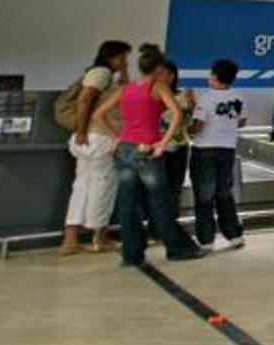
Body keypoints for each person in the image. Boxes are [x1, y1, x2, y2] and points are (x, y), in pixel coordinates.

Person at [91, 44, 204, 265]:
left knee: (127, 203)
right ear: (158, 68)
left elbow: (98, 115)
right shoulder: (158, 86)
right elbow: (177, 114)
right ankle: (177, 247)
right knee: (160, 201)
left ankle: (132, 254)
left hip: (125, 150)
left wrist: (118, 136)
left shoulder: (126, 88)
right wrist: (162, 142)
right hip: (148, 150)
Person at [60, 39, 132, 255]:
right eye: (123, 57)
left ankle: (70, 238)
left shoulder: (102, 74)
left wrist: (124, 70)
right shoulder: (101, 73)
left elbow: (123, 87)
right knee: (104, 186)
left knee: (82, 186)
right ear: (112, 57)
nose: (125, 61)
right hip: (98, 137)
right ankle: (100, 236)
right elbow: (85, 100)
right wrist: (82, 130)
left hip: (86, 139)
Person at [188, 59, 246, 250]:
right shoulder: (238, 97)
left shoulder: (206, 98)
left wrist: (186, 128)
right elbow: (242, 122)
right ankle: (234, 234)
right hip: (228, 149)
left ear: (214, 76)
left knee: (204, 195)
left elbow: (197, 126)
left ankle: (206, 239)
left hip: (205, 149)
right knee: (224, 192)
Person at [157, 61, 193, 224]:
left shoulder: (183, 96)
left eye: (162, 73)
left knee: (174, 189)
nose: (158, 77)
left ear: (172, 76)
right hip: (157, 148)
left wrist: (192, 105)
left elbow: (189, 122)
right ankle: (156, 226)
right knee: (157, 189)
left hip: (178, 148)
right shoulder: (151, 95)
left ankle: (170, 225)